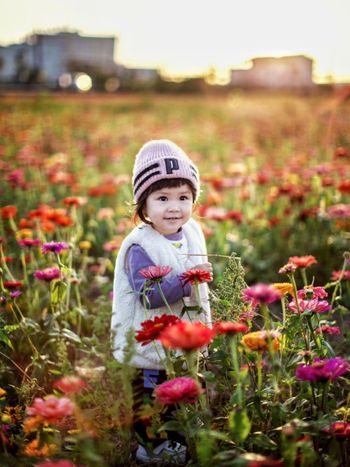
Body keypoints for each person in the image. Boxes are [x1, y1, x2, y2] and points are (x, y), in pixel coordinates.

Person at [111, 139, 212, 463]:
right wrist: (187, 280)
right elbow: (149, 294)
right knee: (152, 396)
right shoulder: (139, 246)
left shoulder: (192, 230)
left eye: (184, 197)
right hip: (148, 345)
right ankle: (149, 446)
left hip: (183, 340)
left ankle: (180, 438)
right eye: (163, 198)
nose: (174, 207)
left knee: (184, 389)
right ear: (143, 205)